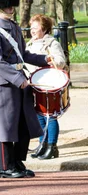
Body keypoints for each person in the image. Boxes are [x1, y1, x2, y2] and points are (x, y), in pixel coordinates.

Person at [0, 0, 52, 178]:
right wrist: (18, 79)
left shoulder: (13, 27)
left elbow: (24, 54)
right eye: (6, 4)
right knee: (7, 125)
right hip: (5, 84)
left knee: (22, 124)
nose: (10, 7)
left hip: (20, 82)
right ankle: (5, 166)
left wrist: (43, 60)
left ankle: (17, 162)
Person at [26, 14, 66, 160]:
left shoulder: (52, 43)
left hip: (48, 85)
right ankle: (42, 144)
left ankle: (52, 147)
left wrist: (51, 61)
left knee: (50, 116)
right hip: (33, 85)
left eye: (35, 28)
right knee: (39, 117)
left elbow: (61, 61)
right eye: (31, 27)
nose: (32, 30)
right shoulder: (29, 44)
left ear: (44, 29)